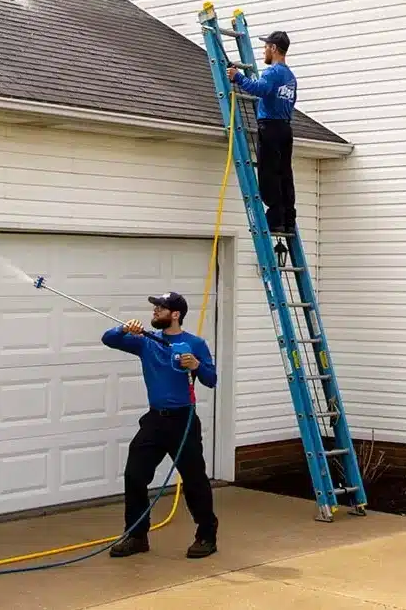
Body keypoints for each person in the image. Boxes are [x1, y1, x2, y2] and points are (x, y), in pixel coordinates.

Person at [101, 292, 219, 558]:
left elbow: (211, 380)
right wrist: (124, 328)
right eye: (154, 308)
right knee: (134, 475)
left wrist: (197, 365)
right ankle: (137, 536)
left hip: (184, 420)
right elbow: (108, 339)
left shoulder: (194, 343)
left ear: (175, 314)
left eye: (160, 308)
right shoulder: (146, 343)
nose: (154, 311)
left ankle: (206, 535)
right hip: (155, 420)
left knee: (194, 480)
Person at [227, 30, 298, 235]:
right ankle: (288, 219)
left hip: (271, 127)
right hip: (286, 128)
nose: (264, 50)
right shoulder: (290, 77)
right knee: (285, 174)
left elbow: (261, 89)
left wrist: (237, 77)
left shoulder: (272, 73)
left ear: (274, 49)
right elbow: (291, 101)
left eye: (266, 46)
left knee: (268, 173)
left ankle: (274, 218)